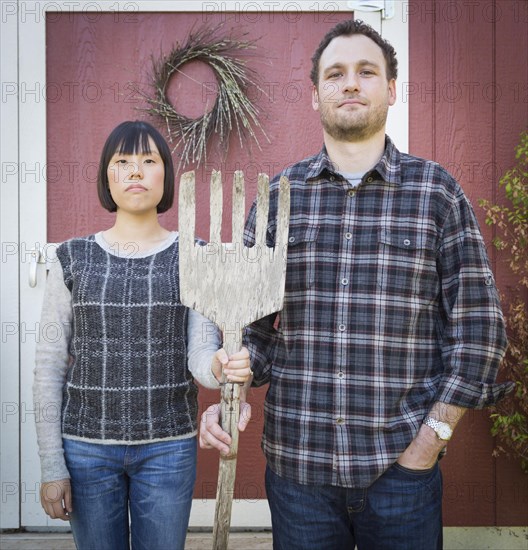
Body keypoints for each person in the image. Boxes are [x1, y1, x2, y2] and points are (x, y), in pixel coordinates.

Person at [199, 20, 513, 550]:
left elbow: (480, 329)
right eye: (336, 74)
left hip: (402, 471)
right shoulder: (277, 199)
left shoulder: (436, 194)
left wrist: (430, 439)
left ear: (391, 89)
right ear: (316, 94)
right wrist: (234, 383)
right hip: (299, 470)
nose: (350, 83)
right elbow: (253, 334)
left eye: (366, 72)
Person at [33, 120, 251, 550]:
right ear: (106, 176)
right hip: (87, 448)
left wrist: (218, 365)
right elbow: (48, 367)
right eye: (122, 162)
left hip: (168, 450)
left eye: (149, 160)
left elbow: (200, 352)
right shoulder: (72, 258)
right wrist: (51, 466)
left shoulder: (195, 256)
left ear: (165, 177)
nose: (135, 171)